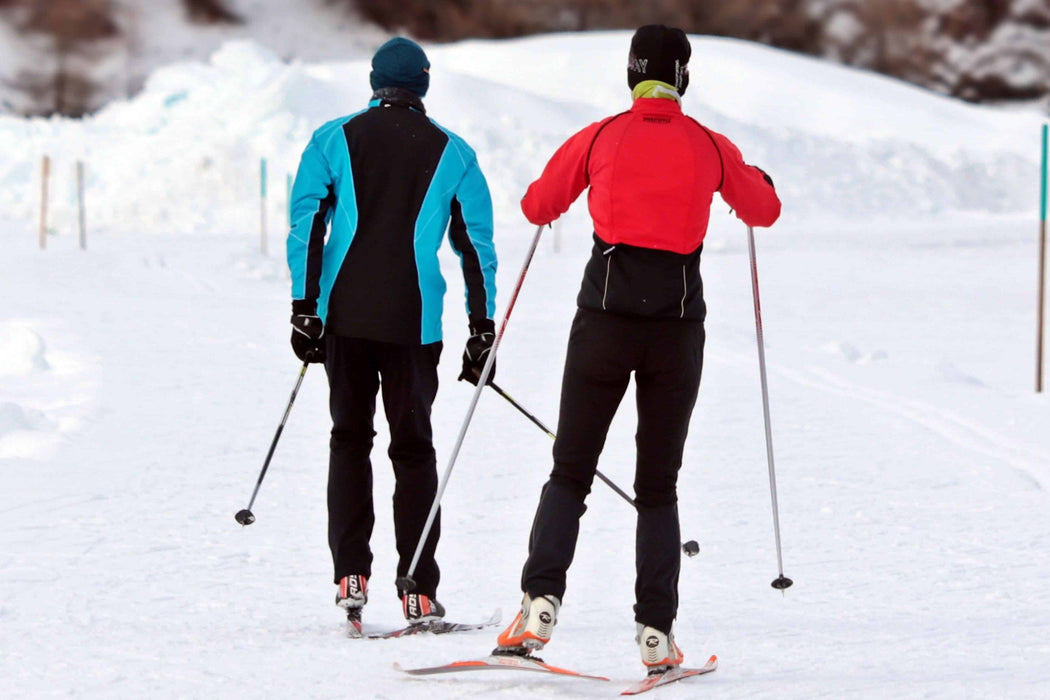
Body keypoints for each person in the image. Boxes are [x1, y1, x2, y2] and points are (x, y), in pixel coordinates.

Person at [495, 25, 780, 672]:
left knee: (571, 469)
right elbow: (763, 210)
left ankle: (539, 603)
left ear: (632, 74)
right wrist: (755, 177)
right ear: (681, 76)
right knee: (658, 486)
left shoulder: (600, 136)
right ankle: (656, 633)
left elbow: (537, 206)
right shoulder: (709, 145)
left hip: (602, 324)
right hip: (676, 333)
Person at [286, 37, 498, 637]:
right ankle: (418, 590)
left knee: (349, 439)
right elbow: (474, 249)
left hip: (344, 319)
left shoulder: (332, 138)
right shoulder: (454, 153)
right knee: (413, 451)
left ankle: (351, 575)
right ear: (423, 85)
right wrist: (482, 329)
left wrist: (305, 309)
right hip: (414, 324)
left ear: (375, 81)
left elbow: (308, 226)